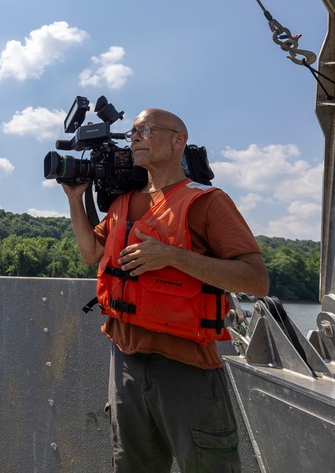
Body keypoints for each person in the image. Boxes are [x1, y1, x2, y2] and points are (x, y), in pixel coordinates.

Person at [62, 107, 268, 473]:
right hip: (125, 358)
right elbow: (91, 254)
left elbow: (255, 280)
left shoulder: (206, 201)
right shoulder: (122, 204)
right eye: (133, 132)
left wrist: (172, 256)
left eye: (146, 129)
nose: (135, 136)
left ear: (178, 141)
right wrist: (75, 199)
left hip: (184, 365)